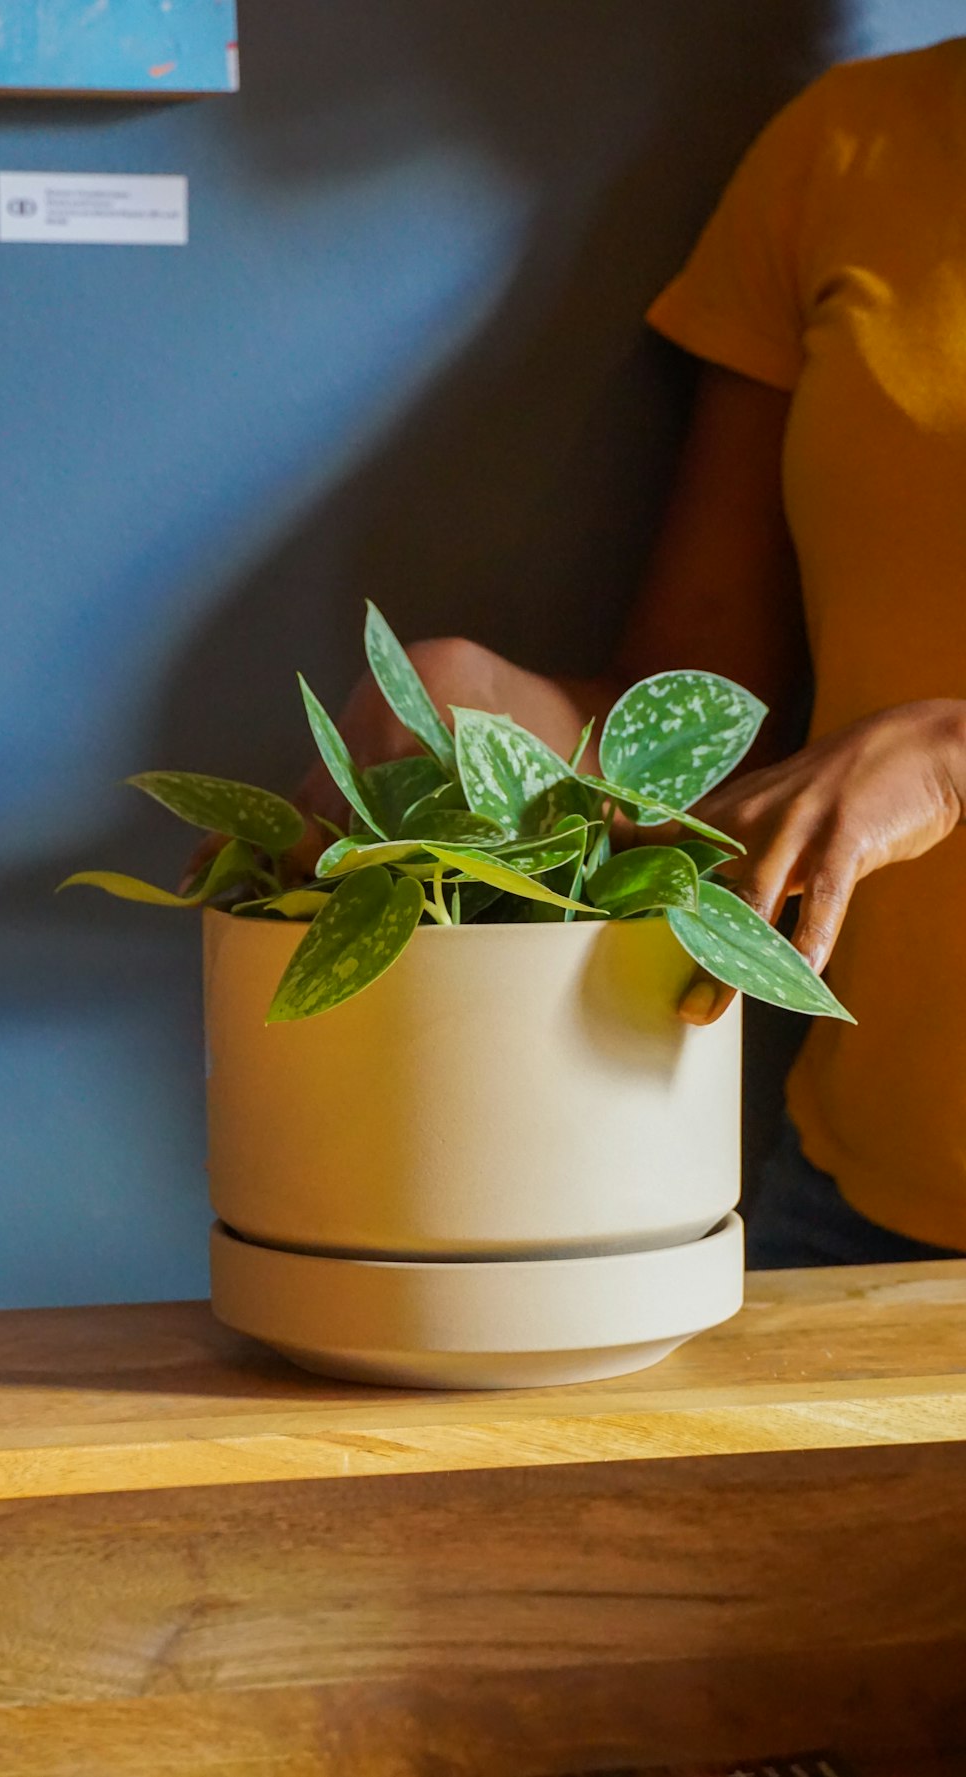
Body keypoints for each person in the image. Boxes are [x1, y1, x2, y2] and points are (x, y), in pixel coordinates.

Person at [217, 40, 966, 1268]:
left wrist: (947, 756)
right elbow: (713, 718)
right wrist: (482, 713)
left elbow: (909, 762)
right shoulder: (845, 147)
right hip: (862, 1205)